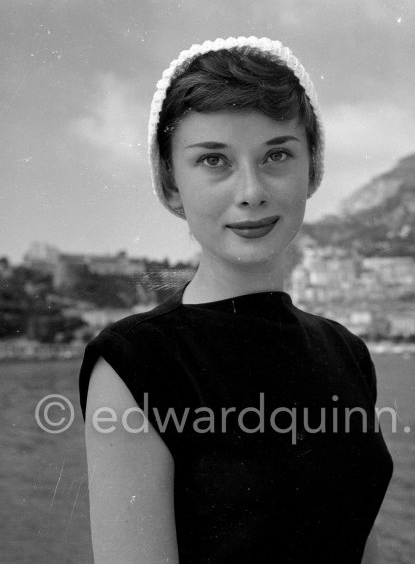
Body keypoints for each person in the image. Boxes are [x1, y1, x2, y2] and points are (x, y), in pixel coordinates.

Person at [79, 36, 393, 564]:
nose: (250, 190)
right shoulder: (135, 365)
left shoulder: (345, 350)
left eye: (276, 154)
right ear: (171, 182)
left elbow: (361, 541)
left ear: (311, 167)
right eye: (214, 161)